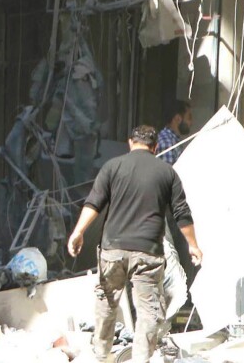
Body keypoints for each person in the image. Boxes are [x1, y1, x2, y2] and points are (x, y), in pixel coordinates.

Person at [67, 125, 202, 363]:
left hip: (112, 249)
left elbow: (94, 203)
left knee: (107, 303)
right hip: (147, 251)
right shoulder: (167, 173)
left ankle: (100, 355)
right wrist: (193, 245)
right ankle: (140, 359)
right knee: (148, 311)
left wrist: (78, 232)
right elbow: (182, 212)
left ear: (131, 143)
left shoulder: (113, 166)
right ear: (155, 147)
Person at [156, 100, 193, 165]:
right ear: (178, 119)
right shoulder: (166, 141)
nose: (191, 123)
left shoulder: (173, 140)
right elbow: (168, 173)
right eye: (189, 118)